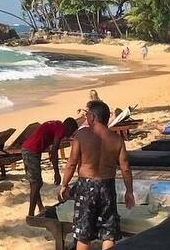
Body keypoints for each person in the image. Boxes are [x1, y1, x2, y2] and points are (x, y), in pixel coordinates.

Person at [60, 101, 134, 249]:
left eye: (87, 114)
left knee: (83, 233)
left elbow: (71, 163)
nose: (86, 116)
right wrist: (129, 191)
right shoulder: (117, 139)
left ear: (93, 117)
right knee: (109, 233)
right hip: (107, 186)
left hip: (86, 186)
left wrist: (64, 184)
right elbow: (125, 167)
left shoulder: (81, 135)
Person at [22, 117, 78, 216]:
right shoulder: (61, 129)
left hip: (31, 149)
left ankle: (40, 207)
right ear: (68, 127)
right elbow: (54, 151)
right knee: (37, 183)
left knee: (34, 182)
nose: (71, 134)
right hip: (31, 151)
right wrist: (56, 172)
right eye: (72, 131)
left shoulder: (57, 125)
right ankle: (31, 214)